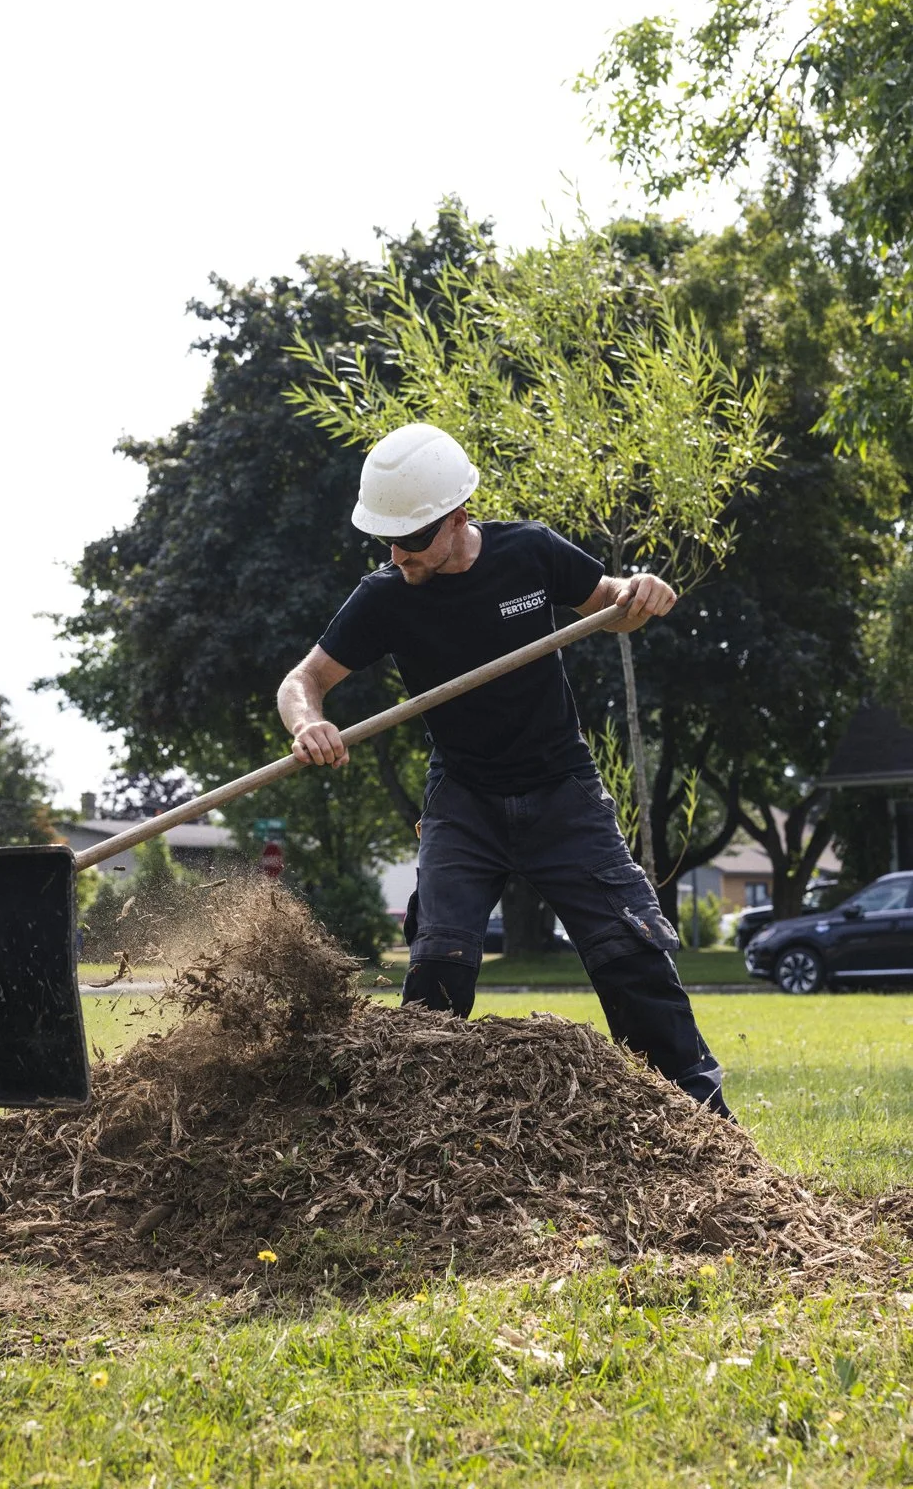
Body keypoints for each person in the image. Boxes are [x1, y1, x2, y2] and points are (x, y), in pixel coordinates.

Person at [277, 422, 729, 1115]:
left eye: (414, 538)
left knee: (630, 955)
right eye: (386, 540)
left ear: (458, 518)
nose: (399, 554)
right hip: (463, 800)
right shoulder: (385, 596)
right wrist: (309, 724)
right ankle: (412, 1124)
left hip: (562, 791)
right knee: (439, 963)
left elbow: (609, 606)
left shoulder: (530, 551)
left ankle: (704, 1128)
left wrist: (639, 593)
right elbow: (302, 680)